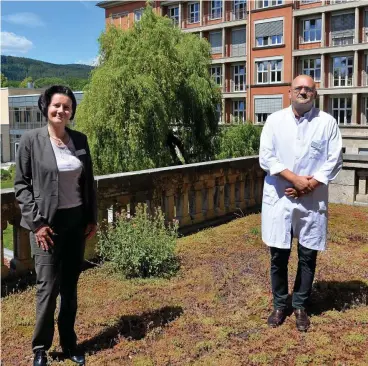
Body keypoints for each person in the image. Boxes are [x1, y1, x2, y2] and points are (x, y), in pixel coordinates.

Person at [15, 85, 97, 365]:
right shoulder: (30, 140)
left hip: (76, 224)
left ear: (72, 111)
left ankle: (70, 343)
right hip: (46, 227)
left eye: (67, 107)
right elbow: (21, 186)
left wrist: (91, 217)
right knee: (47, 289)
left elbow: (89, 184)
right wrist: (37, 224)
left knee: (70, 288)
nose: (61, 110)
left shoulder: (80, 140)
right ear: (46, 107)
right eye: (56, 105)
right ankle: (40, 348)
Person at [259, 75, 343, 332]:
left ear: (315, 94)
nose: (303, 92)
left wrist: (310, 185)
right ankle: (279, 305)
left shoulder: (327, 122)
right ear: (289, 92)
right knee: (278, 256)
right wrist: (294, 179)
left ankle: (300, 306)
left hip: (311, 199)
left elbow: (334, 159)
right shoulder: (274, 121)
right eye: (299, 88)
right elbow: (266, 157)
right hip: (280, 196)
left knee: (307, 255)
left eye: (308, 89)